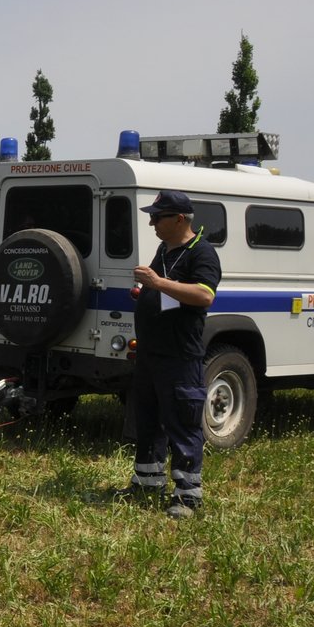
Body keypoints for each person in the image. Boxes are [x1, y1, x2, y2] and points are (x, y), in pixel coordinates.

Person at [124, 190, 221, 520]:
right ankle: (147, 482)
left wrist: (158, 283)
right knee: (148, 420)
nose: (151, 222)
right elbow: (161, 287)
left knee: (182, 421)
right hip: (151, 353)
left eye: (157, 216)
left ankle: (188, 496)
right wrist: (145, 289)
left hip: (179, 355)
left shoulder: (202, 253)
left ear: (179, 219)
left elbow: (204, 295)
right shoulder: (164, 250)